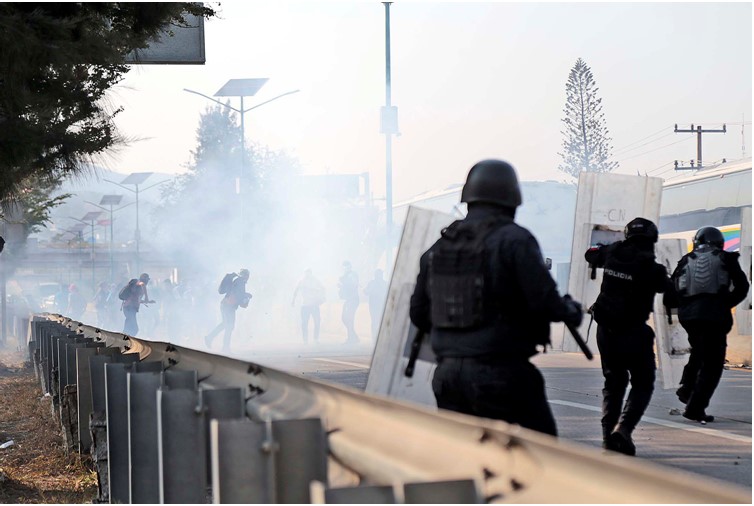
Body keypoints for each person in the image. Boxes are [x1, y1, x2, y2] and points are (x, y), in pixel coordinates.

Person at [410, 159, 583, 437]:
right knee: (543, 454)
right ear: (511, 199)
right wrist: (571, 310)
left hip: (447, 375)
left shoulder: (438, 248)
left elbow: (418, 313)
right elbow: (545, 301)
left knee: (468, 460)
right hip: (502, 372)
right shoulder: (515, 240)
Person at [585, 217, 670, 456]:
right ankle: (623, 430)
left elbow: (590, 254)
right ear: (653, 240)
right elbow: (669, 290)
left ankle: (606, 435)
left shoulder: (612, 252)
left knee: (613, 383)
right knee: (643, 383)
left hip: (606, 331)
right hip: (633, 332)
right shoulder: (653, 269)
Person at [664, 226, 749, 423]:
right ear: (720, 242)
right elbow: (743, 286)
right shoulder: (727, 258)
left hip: (689, 318)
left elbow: (670, 294)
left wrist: (686, 305)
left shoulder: (685, 260)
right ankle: (695, 408)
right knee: (713, 364)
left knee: (699, 351)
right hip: (715, 317)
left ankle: (686, 389)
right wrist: (725, 303)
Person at [205, 269, 252, 353]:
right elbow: (237, 295)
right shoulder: (240, 282)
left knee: (225, 324)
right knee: (229, 326)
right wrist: (246, 295)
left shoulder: (237, 281)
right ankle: (225, 348)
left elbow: (237, 294)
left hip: (226, 305)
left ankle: (210, 338)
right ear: (246, 276)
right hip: (228, 306)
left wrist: (245, 295)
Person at [292, 269, 326, 344]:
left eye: (309, 273)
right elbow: (296, 290)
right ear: (305, 274)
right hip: (305, 306)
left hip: (314, 305)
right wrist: (293, 300)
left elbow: (323, 288)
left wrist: (322, 298)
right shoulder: (301, 280)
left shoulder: (315, 280)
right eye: (306, 273)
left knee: (317, 321)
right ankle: (305, 340)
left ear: (311, 274)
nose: (308, 275)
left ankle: (315, 339)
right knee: (304, 323)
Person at [338, 261, 360, 344]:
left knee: (349, 319)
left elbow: (354, 285)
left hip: (353, 299)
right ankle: (353, 336)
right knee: (344, 318)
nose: (345, 268)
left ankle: (351, 338)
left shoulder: (352, 275)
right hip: (348, 299)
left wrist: (343, 284)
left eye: (346, 266)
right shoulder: (346, 275)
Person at [364, 269, 388, 340]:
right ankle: (375, 337)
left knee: (380, 321)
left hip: (381, 305)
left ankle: (380, 337)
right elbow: (365, 292)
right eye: (379, 274)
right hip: (374, 306)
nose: (380, 276)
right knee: (375, 321)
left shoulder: (384, 283)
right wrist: (368, 290)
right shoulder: (372, 283)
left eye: (381, 274)